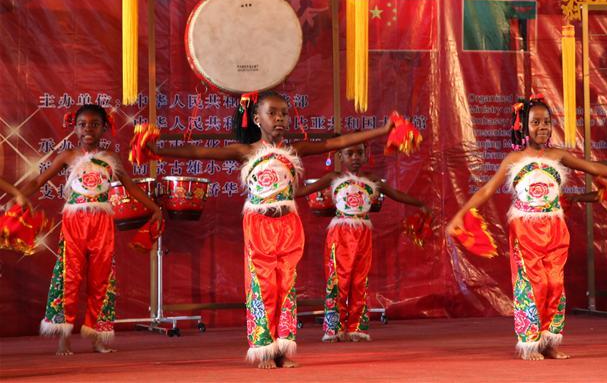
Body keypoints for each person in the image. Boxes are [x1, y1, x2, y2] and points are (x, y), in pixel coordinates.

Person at [144, 90, 396, 369]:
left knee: (286, 286)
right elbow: (200, 152)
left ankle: (282, 350)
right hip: (259, 223)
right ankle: (264, 349)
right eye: (272, 113)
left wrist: (383, 130)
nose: (279, 119)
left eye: (284, 114)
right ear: (256, 118)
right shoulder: (247, 151)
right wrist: (158, 150)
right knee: (263, 286)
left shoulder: (295, 150)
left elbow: (336, 142)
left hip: (289, 224)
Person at [446, 95, 607, 360]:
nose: (542, 127)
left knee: (555, 283)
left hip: (555, 227)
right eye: (535, 122)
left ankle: (549, 341)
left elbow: (591, 167)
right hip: (525, 229)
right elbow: (487, 189)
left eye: (546, 122)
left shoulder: (558, 155)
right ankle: (529, 343)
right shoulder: (514, 159)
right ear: (523, 126)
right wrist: (460, 215)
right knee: (534, 284)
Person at [21, 104, 162, 355]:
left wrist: (155, 208)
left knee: (102, 279)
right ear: (75, 128)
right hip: (74, 222)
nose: (88, 129)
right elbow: (38, 181)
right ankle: (63, 337)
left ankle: (97, 337)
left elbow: (131, 188)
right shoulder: (68, 156)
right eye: (83, 124)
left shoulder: (111, 159)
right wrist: (16, 196)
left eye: (94, 124)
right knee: (69, 277)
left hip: (102, 223)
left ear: (104, 128)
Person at [297, 141, 429, 342]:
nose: (355, 158)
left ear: (366, 155)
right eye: (350, 153)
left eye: (359, 153)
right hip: (339, 235)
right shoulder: (333, 178)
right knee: (337, 281)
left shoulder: (372, 180)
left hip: (362, 234)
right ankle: (334, 328)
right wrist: (275, 195)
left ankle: (356, 326)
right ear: (340, 157)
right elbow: (303, 192)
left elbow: (396, 194)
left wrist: (420, 204)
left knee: (359, 280)